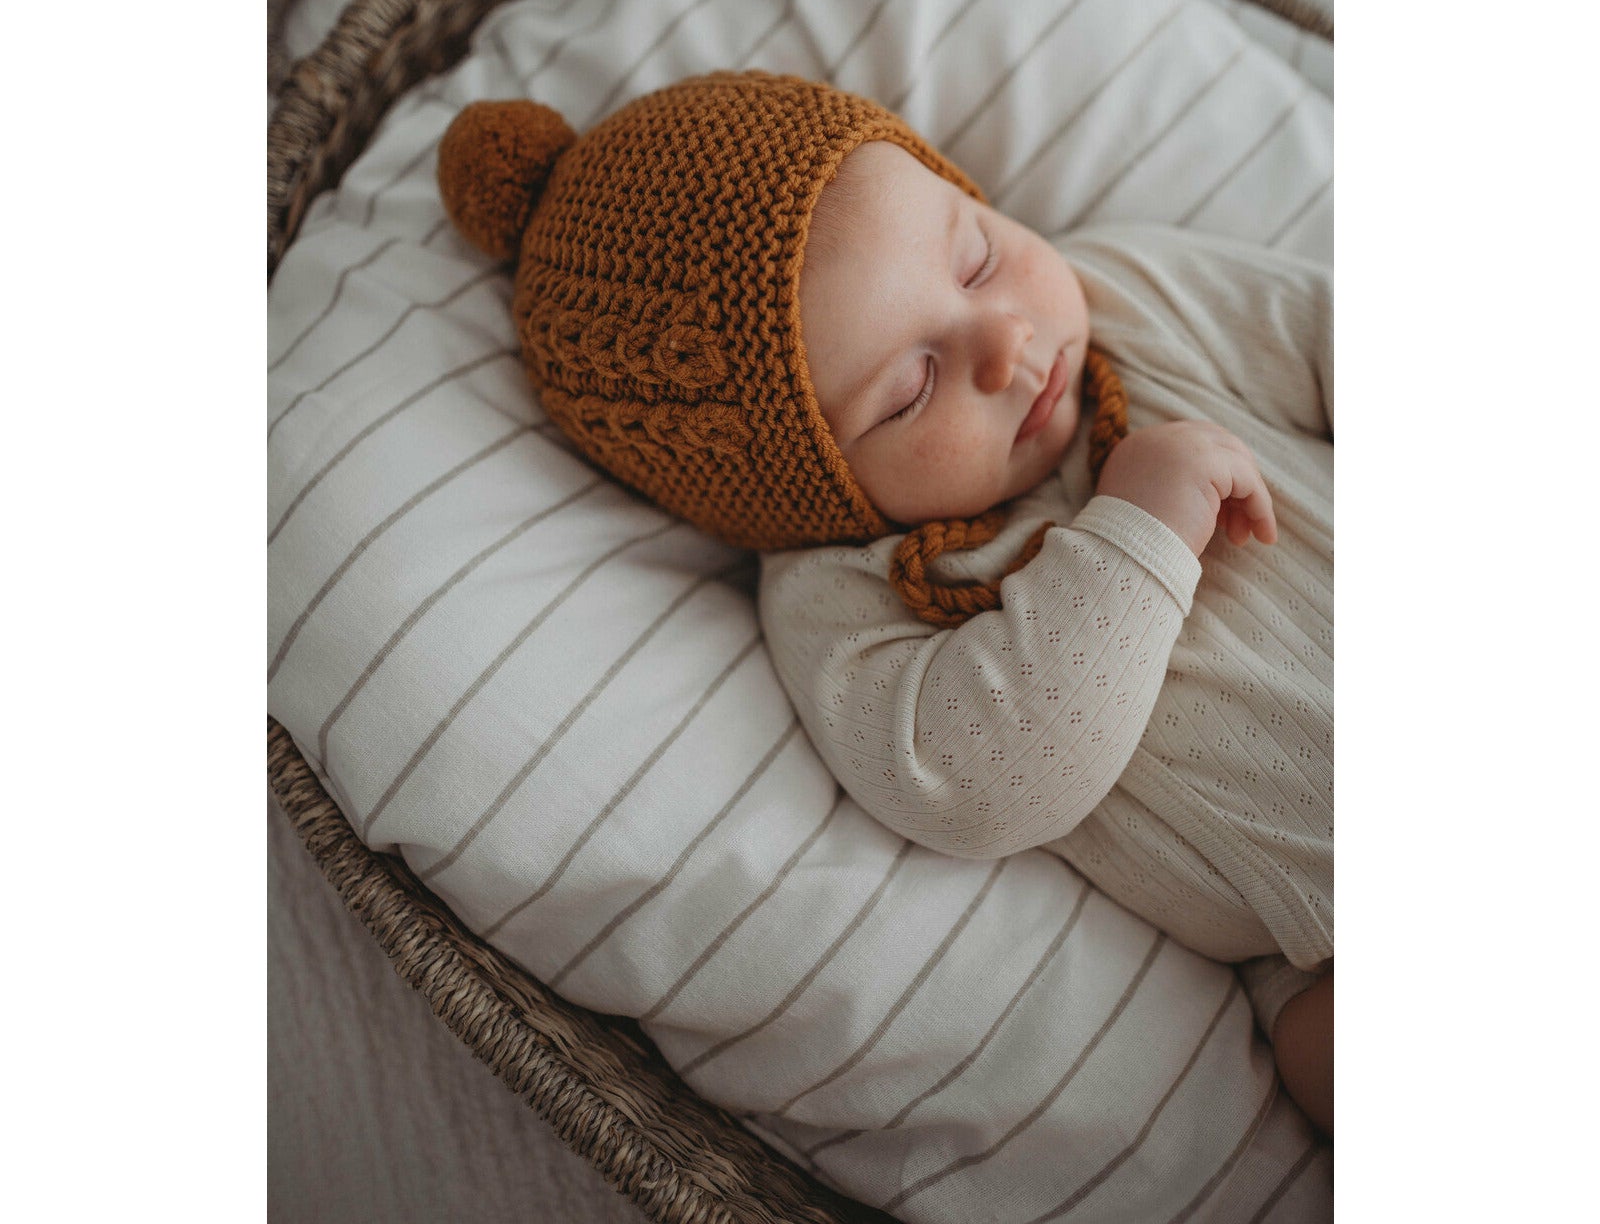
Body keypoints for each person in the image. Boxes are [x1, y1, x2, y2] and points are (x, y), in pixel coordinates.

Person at [436, 70, 1333, 1134]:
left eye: (977, 256)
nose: (1004, 342)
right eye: (908, 389)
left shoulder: (1135, 301)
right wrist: (1139, 532)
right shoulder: (847, 599)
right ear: (811, 490)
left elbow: (1323, 329)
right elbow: (976, 783)